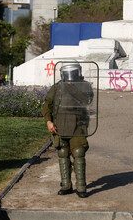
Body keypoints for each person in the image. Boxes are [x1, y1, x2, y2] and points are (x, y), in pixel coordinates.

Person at [42, 62, 94, 198]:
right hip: (60, 125)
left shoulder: (85, 86)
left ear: (78, 72)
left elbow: (87, 100)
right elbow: (47, 104)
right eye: (68, 74)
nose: (71, 76)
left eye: (73, 73)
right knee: (63, 153)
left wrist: (72, 88)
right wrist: (48, 121)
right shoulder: (57, 87)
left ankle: (81, 187)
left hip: (78, 125)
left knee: (78, 152)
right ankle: (66, 185)